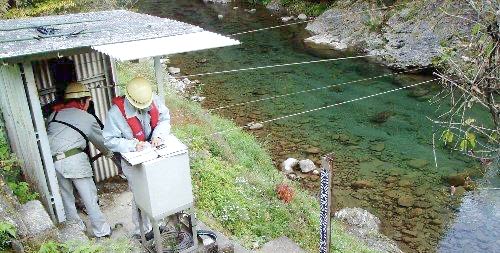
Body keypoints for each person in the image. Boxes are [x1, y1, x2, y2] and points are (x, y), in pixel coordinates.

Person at [103, 76, 171, 239]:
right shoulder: (116, 114)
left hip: (153, 153)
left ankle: (158, 223)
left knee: (156, 188)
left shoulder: (153, 100)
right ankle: (142, 231)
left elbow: (164, 119)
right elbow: (109, 140)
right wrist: (132, 145)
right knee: (140, 193)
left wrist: (158, 136)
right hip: (133, 160)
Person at [47, 82, 112, 238]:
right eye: (88, 101)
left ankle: (76, 232)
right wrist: (111, 154)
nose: (89, 104)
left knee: (66, 198)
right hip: (75, 160)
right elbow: (102, 143)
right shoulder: (87, 118)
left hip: (53, 163)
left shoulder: (53, 115)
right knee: (89, 198)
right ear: (82, 101)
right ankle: (102, 231)